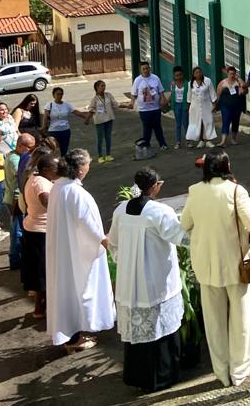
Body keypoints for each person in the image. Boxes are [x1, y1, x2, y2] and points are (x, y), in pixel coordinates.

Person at [106, 167, 188, 393]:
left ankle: (138, 376)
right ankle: (162, 376)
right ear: (155, 186)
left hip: (130, 280)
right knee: (160, 329)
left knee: (140, 334)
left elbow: (113, 242)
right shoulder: (160, 211)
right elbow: (181, 237)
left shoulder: (121, 209)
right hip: (155, 279)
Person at [181, 151, 250, 387]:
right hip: (236, 265)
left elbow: (185, 223)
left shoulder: (195, 191)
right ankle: (239, 370)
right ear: (227, 166)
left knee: (214, 323)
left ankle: (222, 372)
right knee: (241, 319)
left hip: (206, 265)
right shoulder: (236, 191)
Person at [45, 149, 115, 352]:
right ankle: (79, 335)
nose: (89, 168)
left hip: (65, 248)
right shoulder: (77, 193)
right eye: (87, 164)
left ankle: (71, 333)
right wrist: (105, 241)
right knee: (83, 288)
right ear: (80, 169)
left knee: (67, 289)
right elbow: (90, 225)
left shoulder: (58, 187)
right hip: (77, 251)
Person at [22, 151, 59, 320]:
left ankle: (40, 308)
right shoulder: (42, 184)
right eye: (56, 168)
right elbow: (47, 202)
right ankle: (42, 309)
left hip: (34, 228)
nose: (59, 170)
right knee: (44, 273)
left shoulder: (35, 179)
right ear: (45, 170)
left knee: (40, 272)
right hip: (41, 232)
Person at [4, 132, 35, 270]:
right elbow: (22, 173)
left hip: (17, 198)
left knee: (19, 229)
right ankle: (15, 259)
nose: (31, 151)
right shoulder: (15, 159)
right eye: (29, 147)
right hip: (15, 199)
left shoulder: (16, 155)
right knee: (17, 230)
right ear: (20, 145)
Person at [128, 62, 168, 150]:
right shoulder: (138, 80)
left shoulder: (155, 78)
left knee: (157, 127)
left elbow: (160, 91)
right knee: (147, 128)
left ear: (149, 68)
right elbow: (133, 93)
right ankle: (146, 145)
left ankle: (162, 144)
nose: (146, 70)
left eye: (147, 68)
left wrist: (162, 99)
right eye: (144, 69)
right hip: (144, 110)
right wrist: (132, 102)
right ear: (141, 70)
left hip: (155, 108)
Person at [84, 79, 120, 162]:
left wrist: (126, 105)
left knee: (108, 138)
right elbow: (91, 110)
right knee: (100, 139)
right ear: (97, 87)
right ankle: (100, 156)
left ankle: (108, 155)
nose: (104, 88)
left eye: (104, 86)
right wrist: (87, 119)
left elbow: (115, 104)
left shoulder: (108, 95)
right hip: (100, 121)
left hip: (109, 119)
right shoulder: (94, 99)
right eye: (102, 86)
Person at [215, 65, 247, 145]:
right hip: (225, 106)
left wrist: (239, 80)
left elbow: (245, 89)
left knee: (235, 122)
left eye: (233, 74)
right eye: (230, 74)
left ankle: (233, 139)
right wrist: (215, 106)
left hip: (237, 106)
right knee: (226, 121)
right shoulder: (223, 83)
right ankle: (223, 141)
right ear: (227, 74)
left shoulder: (238, 82)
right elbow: (218, 95)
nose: (232, 75)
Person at [186, 66, 218, 146]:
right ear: (194, 75)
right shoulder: (190, 83)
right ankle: (201, 140)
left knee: (208, 121)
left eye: (200, 72)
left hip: (207, 106)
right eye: (196, 73)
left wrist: (214, 105)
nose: (199, 74)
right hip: (195, 107)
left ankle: (208, 141)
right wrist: (189, 108)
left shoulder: (208, 81)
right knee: (198, 123)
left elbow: (212, 93)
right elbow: (189, 96)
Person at [42, 88, 78, 156]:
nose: (60, 96)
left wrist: (87, 116)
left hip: (65, 131)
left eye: (61, 94)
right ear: (53, 95)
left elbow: (76, 112)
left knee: (64, 150)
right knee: (53, 149)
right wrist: (43, 127)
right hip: (53, 131)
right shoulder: (49, 104)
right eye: (58, 94)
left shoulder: (67, 104)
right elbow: (45, 117)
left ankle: (63, 161)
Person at [168, 66, 189, 149]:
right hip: (176, 105)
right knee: (178, 124)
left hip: (184, 105)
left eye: (180, 75)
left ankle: (188, 141)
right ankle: (178, 142)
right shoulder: (173, 84)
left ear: (182, 74)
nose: (179, 77)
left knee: (186, 123)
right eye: (176, 75)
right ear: (174, 76)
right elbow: (171, 94)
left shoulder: (187, 84)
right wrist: (167, 101)